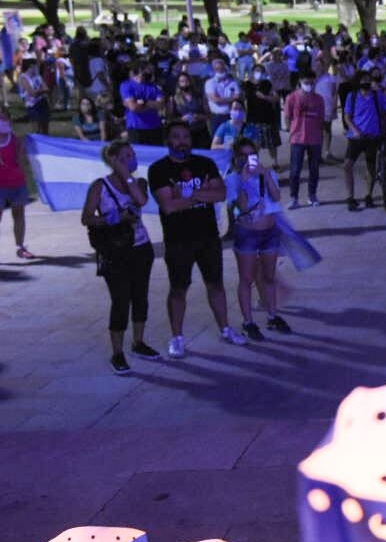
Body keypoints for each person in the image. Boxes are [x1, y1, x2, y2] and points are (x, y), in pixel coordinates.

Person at [148, 120, 243, 354]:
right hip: (178, 239)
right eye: (177, 137)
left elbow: (220, 194)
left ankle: (226, 329)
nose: (183, 141)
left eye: (186, 137)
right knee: (178, 289)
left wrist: (187, 194)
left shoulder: (205, 163)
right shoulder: (159, 169)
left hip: (208, 237)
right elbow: (168, 205)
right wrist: (202, 195)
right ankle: (177, 338)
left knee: (216, 285)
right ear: (168, 140)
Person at [80, 141, 162, 374]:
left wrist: (127, 175)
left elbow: (142, 201)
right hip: (115, 251)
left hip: (140, 247)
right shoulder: (100, 186)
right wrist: (112, 218)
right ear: (114, 159)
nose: (132, 158)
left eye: (133, 154)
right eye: (127, 155)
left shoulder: (138, 183)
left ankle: (139, 342)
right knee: (120, 300)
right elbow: (86, 218)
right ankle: (117, 353)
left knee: (140, 297)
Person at [224, 138, 291, 339]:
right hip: (247, 234)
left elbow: (277, 197)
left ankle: (272, 316)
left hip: (270, 232)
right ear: (236, 157)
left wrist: (266, 176)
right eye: (242, 155)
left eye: (250, 155)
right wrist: (244, 180)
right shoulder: (232, 179)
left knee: (269, 277)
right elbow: (242, 208)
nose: (247, 159)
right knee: (247, 278)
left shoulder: (267, 173)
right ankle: (248, 322)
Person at [342, 73, 386, 211]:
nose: (366, 83)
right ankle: (350, 198)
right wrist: (355, 130)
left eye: (368, 80)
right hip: (356, 138)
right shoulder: (352, 96)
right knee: (347, 165)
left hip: (372, 137)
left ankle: (368, 195)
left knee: (371, 168)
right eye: (363, 80)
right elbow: (347, 117)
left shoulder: (377, 96)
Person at [283, 73, 325, 207]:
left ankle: (312, 195)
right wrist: (292, 131)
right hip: (297, 138)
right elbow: (287, 116)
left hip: (315, 139)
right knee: (295, 169)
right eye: (306, 82)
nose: (309, 85)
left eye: (311, 82)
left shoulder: (319, 99)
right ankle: (294, 197)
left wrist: (320, 134)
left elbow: (321, 118)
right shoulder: (292, 97)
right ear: (300, 81)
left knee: (314, 169)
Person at [0, 112, 36, 260]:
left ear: (9, 121)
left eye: (4, 119)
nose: (2, 122)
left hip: (17, 183)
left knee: (19, 216)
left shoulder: (16, 139)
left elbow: (21, 162)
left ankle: (20, 248)